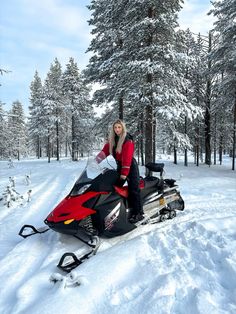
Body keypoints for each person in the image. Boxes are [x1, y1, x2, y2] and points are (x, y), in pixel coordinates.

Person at [96, 119, 144, 223]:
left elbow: (127, 159)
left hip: (130, 167)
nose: (117, 129)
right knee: (114, 188)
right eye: (115, 127)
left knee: (133, 190)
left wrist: (124, 174)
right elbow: (104, 152)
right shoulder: (113, 140)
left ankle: (138, 213)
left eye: (119, 127)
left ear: (123, 128)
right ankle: (116, 210)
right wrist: (96, 162)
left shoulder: (127, 140)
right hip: (120, 166)